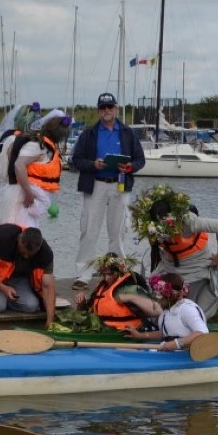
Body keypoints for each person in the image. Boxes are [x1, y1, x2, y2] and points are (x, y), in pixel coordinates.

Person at [71, 92, 145, 290]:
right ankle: (83, 274)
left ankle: (118, 272)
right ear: (98, 110)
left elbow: (140, 159)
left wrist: (130, 167)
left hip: (120, 184)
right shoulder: (89, 133)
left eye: (110, 107)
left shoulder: (128, 132)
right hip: (95, 184)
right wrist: (93, 164)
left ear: (116, 109)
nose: (107, 111)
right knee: (89, 230)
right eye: (103, 108)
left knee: (118, 230)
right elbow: (76, 160)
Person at [129, 184, 218, 318]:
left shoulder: (189, 221)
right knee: (159, 290)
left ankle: (192, 323)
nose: (163, 227)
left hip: (195, 264)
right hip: (170, 265)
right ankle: (162, 321)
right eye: (159, 224)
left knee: (190, 303)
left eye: (165, 223)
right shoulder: (152, 225)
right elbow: (154, 241)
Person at [0, 224, 56, 328]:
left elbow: (48, 286)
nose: (26, 257)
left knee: (32, 306)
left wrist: (50, 320)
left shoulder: (46, 253)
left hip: (19, 280)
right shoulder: (2, 237)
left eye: (30, 255)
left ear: (39, 247)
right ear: (19, 239)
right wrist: (3, 288)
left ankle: (3, 299)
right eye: (23, 252)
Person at [0, 108, 72, 228]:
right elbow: (18, 165)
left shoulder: (44, 146)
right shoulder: (38, 146)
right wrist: (28, 193)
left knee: (26, 234)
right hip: (20, 198)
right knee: (17, 231)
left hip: (28, 201)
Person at [74, 252, 161, 331]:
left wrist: (131, 297)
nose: (106, 278)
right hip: (103, 330)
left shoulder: (128, 289)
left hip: (125, 331)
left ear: (119, 271)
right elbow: (85, 314)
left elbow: (158, 311)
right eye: (103, 274)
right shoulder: (101, 287)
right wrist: (81, 304)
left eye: (110, 274)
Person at [124, 272, 209, 351]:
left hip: (187, 353)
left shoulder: (187, 309)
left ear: (170, 296)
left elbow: (202, 333)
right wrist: (140, 335)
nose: (157, 299)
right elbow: (164, 333)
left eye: (160, 296)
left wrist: (177, 343)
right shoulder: (166, 311)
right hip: (171, 352)